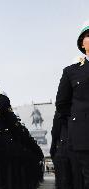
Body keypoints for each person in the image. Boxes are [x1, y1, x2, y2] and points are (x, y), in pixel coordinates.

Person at [55, 20, 89, 188]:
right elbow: (62, 104)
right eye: (88, 35)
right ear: (82, 43)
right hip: (84, 135)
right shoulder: (71, 71)